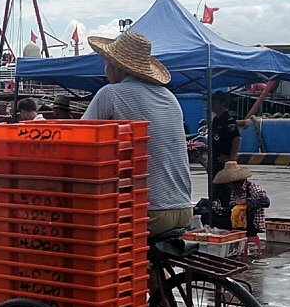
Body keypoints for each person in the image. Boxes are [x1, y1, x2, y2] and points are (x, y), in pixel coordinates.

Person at [82, 30, 192, 236]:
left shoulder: (110, 93)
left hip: (148, 212)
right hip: (184, 209)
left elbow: (80, 138)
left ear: (116, 67)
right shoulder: (170, 97)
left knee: (83, 228)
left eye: (106, 64)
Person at [213, 161, 270, 236]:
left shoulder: (252, 187)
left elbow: (265, 201)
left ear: (237, 182)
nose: (229, 185)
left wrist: (245, 201)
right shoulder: (234, 191)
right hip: (238, 223)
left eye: (230, 183)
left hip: (252, 225)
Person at [207, 92, 241, 204]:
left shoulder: (228, 120)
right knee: (214, 189)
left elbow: (237, 139)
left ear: (223, 104)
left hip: (223, 162)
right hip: (215, 161)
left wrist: (231, 158)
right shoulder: (216, 120)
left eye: (214, 103)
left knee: (224, 190)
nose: (212, 105)